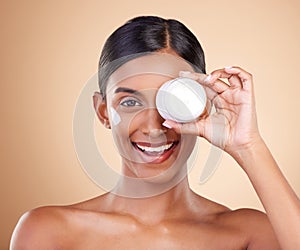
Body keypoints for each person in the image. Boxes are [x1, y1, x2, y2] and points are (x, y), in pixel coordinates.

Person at [10, 16, 300, 249]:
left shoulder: (250, 233)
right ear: (102, 112)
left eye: (173, 100)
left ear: (200, 106)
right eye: (130, 102)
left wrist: (248, 145)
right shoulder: (48, 232)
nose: (152, 126)